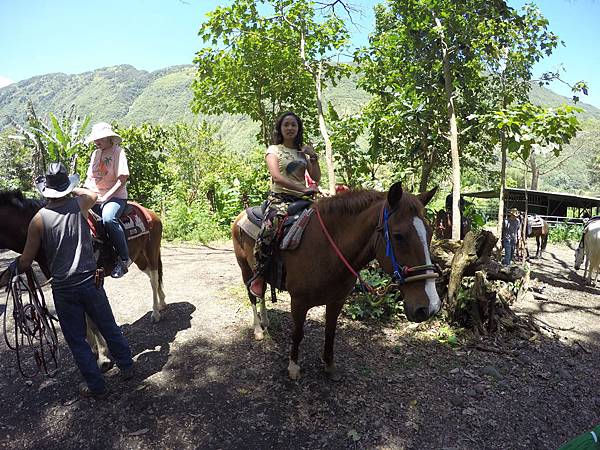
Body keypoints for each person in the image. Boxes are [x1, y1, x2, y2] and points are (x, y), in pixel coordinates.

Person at [11, 162, 134, 399]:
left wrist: (11, 273)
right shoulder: (80, 204)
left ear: (45, 191)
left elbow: (25, 262)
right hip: (90, 281)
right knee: (109, 326)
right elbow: (92, 193)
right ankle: (127, 366)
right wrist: (71, 189)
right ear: (66, 187)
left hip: (64, 288)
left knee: (77, 340)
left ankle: (97, 386)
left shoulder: (38, 220)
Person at [249, 112, 321, 298]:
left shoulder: (302, 153)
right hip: (279, 199)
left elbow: (316, 178)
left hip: (302, 200)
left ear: (298, 129)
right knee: (269, 229)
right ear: (280, 128)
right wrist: (303, 189)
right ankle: (259, 274)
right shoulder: (274, 150)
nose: (290, 128)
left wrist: (313, 158)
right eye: (286, 125)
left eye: (294, 125)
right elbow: (277, 177)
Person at [83, 122, 130, 278]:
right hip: (95, 196)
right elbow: (90, 178)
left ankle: (124, 259)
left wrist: (106, 196)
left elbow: (122, 178)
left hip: (115, 196)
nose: (97, 142)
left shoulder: (118, 152)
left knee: (109, 218)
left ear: (109, 137)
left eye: (100, 139)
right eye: (95, 139)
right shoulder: (95, 154)